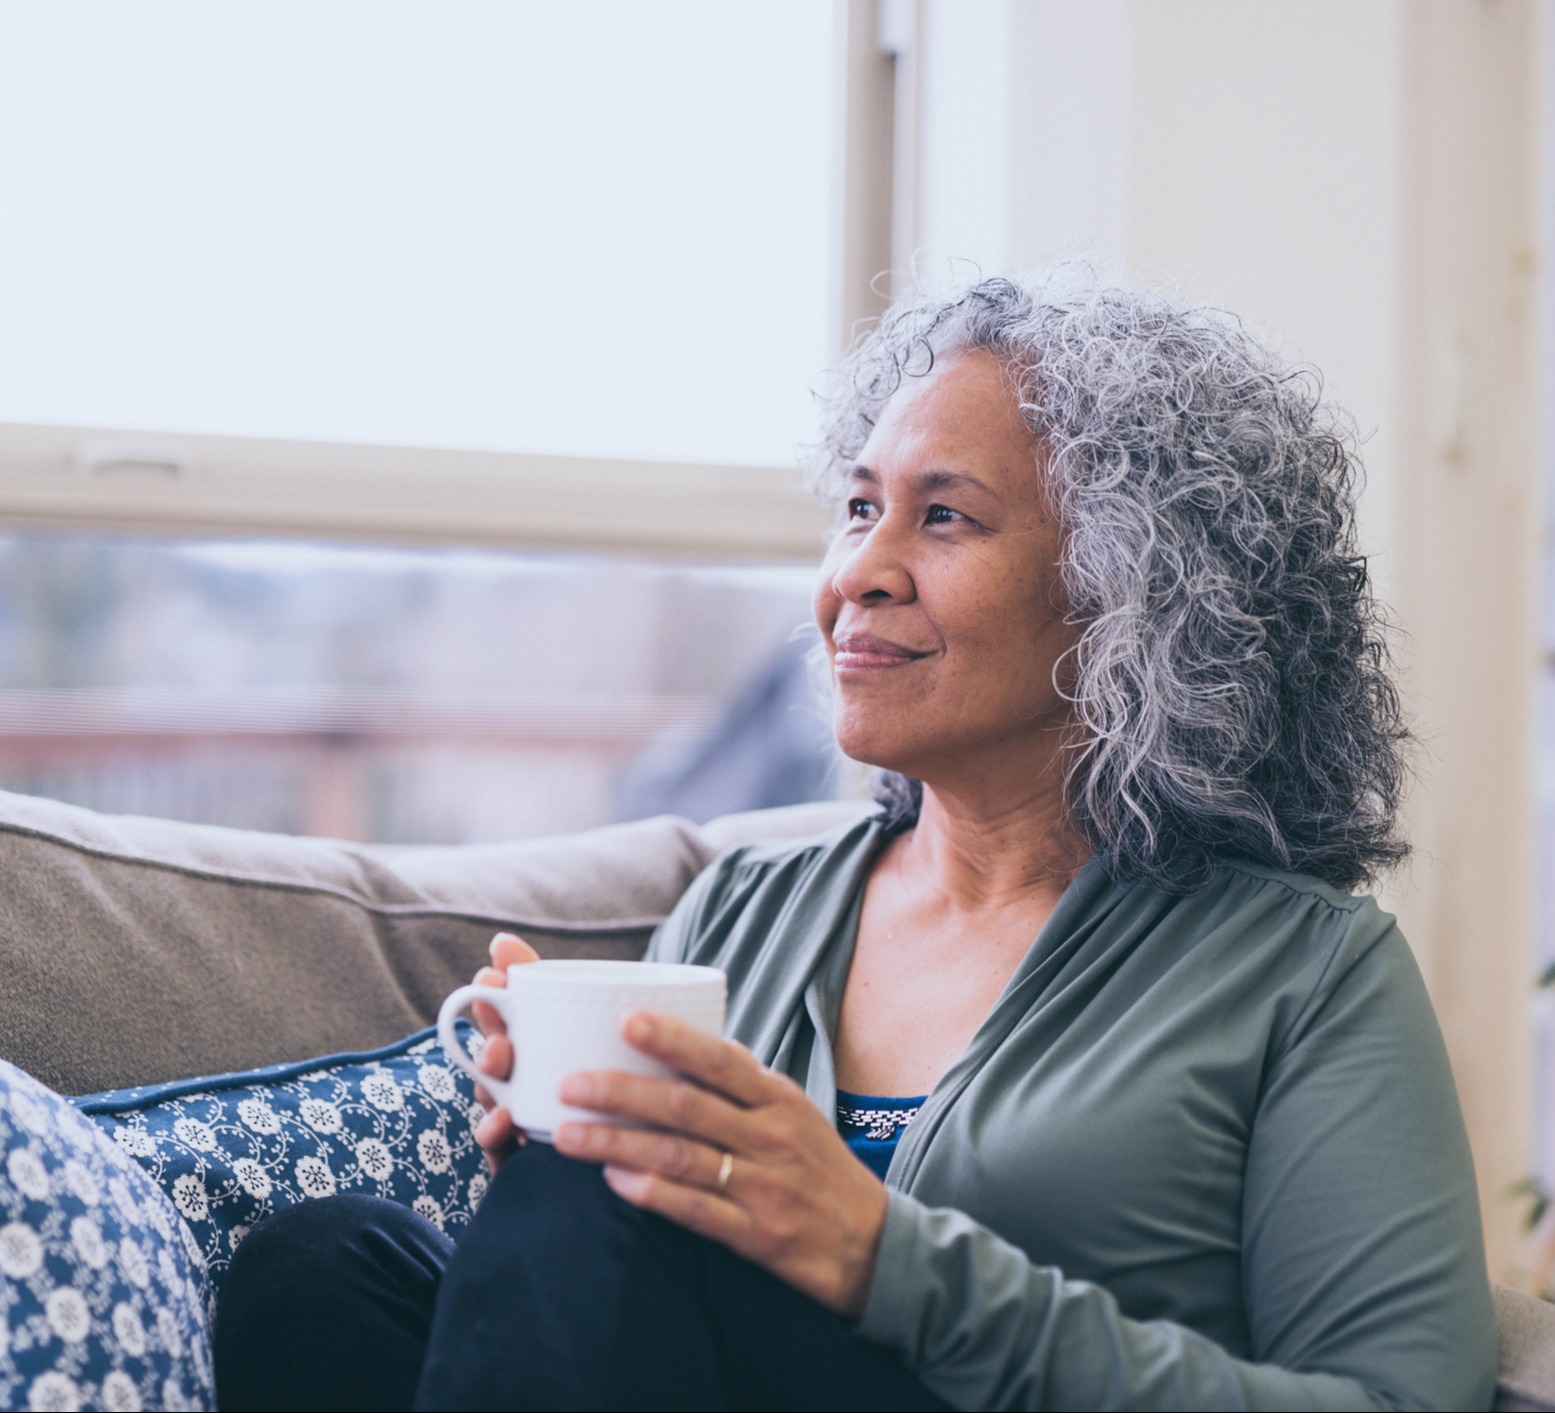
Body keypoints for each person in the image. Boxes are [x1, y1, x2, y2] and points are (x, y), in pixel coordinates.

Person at [214, 271, 1498, 1411]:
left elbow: (1400, 1398)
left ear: (1136, 596)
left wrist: (886, 1262)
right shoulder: (743, 907)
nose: (858, 574)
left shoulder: (1304, 974)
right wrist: (554, 1172)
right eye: (858, 507)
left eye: (945, 518)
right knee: (328, 1269)